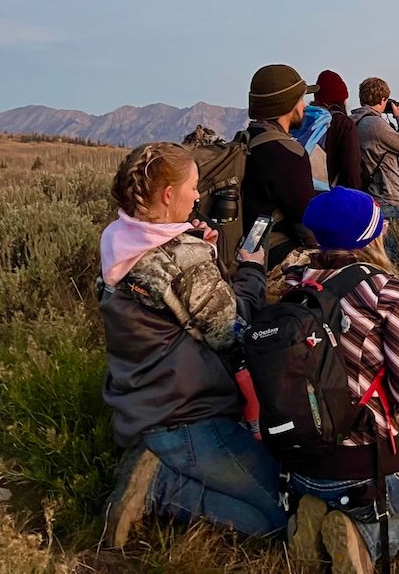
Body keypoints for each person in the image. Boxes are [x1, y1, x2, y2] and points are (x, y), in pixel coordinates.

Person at [98, 142, 285, 547]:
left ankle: (154, 467)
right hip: (189, 416)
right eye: (194, 187)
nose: (199, 196)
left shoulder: (119, 240)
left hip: (140, 404)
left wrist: (203, 252)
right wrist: (251, 272)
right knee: (280, 515)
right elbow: (232, 330)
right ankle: (159, 489)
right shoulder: (184, 259)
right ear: (169, 195)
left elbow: (172, 299)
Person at [281, 187, 399, 574]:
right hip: (360, 464)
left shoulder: (293, 285)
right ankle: (361, 538)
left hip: (298, 461)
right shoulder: (384, 291)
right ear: (371, 234)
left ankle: (315, 512)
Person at [241, 63, 320, 269]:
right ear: (289, 104)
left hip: (244, 250)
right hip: (272, 254)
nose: (304, 106)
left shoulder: (245, 142)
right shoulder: (288, 153)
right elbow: (308, 223)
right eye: (301, 99)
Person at [351, 77, 399, 259]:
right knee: (391, 257)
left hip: (370, 193)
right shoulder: (375, 124)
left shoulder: (356, 121)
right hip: (387, 197)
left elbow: (397, 151)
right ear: (383, 100)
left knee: (373, 254)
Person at [313, 69, 363, 191]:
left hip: (306, 191)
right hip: (332, 194)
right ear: (341, 99)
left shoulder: (304, 120)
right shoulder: (343, 123)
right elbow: (351, 170)